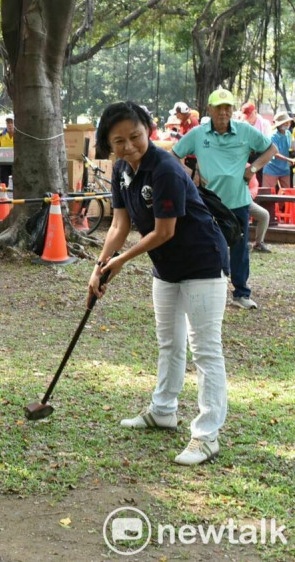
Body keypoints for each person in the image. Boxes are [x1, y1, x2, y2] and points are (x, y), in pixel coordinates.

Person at [92, 101, 230, 466]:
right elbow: (119, 226)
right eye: (118, 140)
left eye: (135, 136)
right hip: (166, 268)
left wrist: (121, 262)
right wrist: (101, 264)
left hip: (202, 262)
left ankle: (206, 435)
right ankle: (163, 410)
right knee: (169, 342)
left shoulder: (165, 168)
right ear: (108, 143)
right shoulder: (121, 169)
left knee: (205, 350)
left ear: (148, 131)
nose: (128, 146)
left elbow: (164, 231)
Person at [173, 88, 276, 310]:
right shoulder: (199, 133)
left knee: (239, 248)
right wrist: (191, 176)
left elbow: (271, 149)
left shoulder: (245, 131)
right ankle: (206, 289)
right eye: (219, 108)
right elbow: (173, 155)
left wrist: (254, 168)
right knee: (206, 246)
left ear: (232, 110)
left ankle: (241, 293)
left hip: (238, 201)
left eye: (227, 107)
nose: (223, 112)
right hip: (208, 203)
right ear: (209, 109)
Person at [0, 116, 14, 182]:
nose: (10, 124)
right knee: (4, 179)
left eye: (12, 122)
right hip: (4, 160)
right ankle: (3, 190)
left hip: (16, 160)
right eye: (8, 122)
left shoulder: (19, 134)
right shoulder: (0, 134)